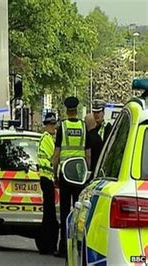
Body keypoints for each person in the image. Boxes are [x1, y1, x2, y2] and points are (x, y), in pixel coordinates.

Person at [52, 96, 91, 258]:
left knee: (65, 212)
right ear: (77, 110)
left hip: (65, 175)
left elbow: (56, 154)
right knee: (78, 212)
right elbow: (88, 155)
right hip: (79, 174)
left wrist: (55, 173)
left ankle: (63, 248)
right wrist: (87, 173)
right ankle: (77, 248)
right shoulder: (83, 127)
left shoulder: (62, 127)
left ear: (67, 111)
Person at [37, 112, 58, 255]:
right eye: (51, 124)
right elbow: (54, 157)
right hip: (47, 178)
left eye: (54, 124)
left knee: (49, 214)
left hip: (47, 178)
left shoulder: (48, 138)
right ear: (47, 125)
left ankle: (47, 245)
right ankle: (48, 245)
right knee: (49, 215)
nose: (53, 127)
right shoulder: (47, 139)